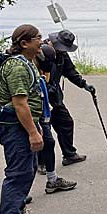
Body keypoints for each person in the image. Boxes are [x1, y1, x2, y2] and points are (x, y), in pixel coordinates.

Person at [0, 24, 47, 214]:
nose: (42, 41)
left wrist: (36, 125)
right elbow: (20, 104)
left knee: (27, 170)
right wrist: (33, 133)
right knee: (17, 174)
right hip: (15, 128)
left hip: (24, 126)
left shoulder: (28, 63)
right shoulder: (17, 67)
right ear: (24, 43)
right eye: (38, 38)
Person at [46, 30, 94, 165]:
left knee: (66, 122)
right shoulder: (40, 53)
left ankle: (69, 154)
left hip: (55, 97)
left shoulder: (62, 54)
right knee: (44, 130)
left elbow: (70, 71)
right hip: (41, 99)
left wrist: (84, 84)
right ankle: (42, 162)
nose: (62, 50)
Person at [35, 44, 77, 193]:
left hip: (50, 104)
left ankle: (66, 159)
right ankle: (41, 166)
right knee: (41, 141)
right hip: (37, 110)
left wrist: (83, 84)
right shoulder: (37, 60)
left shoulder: (58, 56)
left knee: (61, 128)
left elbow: (70, 72)